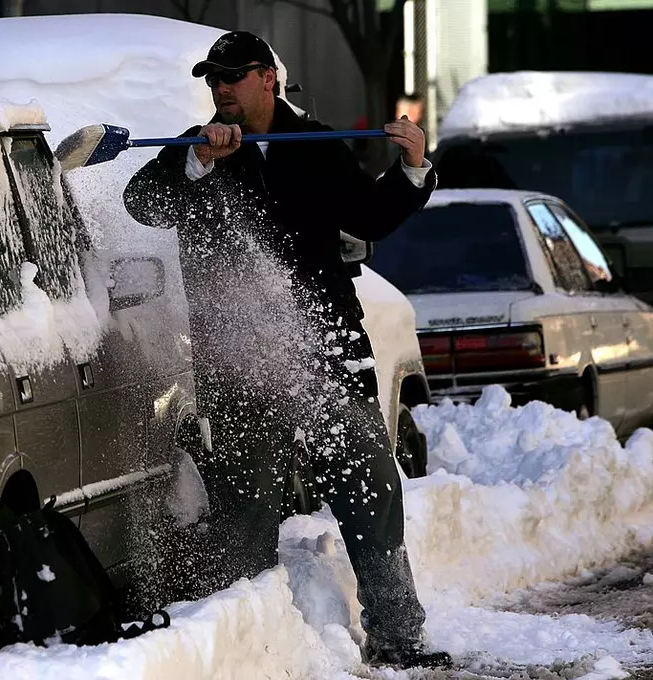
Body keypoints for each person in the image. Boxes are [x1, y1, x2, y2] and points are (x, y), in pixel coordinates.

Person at [122, 31, 452, 669]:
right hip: (240, 368)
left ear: (267, 79)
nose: (221, 89)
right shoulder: (197, 150)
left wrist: (413, 169)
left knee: (373, 492)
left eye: (233, 77)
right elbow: (143, 204)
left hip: (326, 356)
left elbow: (370, 216)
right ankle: (246, 652)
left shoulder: (315, 145)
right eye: (213, 79)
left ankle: (399, 639)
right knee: (245, 520)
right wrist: (199, 165)